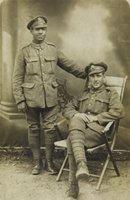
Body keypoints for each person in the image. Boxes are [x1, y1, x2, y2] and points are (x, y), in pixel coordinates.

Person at [12, 16, 87, 175]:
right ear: (31, 31)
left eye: (44, 29)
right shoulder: (24, 52)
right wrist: (20, 99)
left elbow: (69, 65)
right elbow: (17, 77)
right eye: (38, 29)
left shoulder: (53, 49)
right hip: (30, 98)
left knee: (50, 130)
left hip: (51, 98)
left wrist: (88, 74)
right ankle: (37, 163)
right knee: (33, 129)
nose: (41, 32)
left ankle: (50, 162)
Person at [63, 62, 125, 199]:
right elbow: (67, 109)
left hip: (99, 132)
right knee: (76, 119)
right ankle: (82, 166)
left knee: (71, 139)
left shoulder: (111, 94)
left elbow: (119, 112)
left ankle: (73, 188)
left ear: (103, 77)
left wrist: (97, 117)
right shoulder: (82, 94)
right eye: (92, 76)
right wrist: (77, 114)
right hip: (79, 131)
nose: (95, 79)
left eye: (98, 75)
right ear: (88, 79)